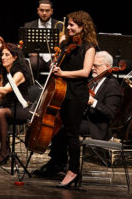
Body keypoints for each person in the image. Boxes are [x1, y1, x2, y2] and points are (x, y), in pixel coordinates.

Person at [33, 50, 122, 178]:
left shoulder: (112, 85)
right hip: (84, 118)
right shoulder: (92, 79)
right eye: (92, 65)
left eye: (96, 66)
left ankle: (60, 165)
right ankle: (56, 162)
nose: (92, 68)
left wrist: (93, 102)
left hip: (96, 124)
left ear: (107, 67)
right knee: (61, 122)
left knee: (66, 128)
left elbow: (111, 113)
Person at [40, 10, 97, 188]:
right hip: (63, 92)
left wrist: (63, 72)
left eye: (72, 25)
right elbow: (60, 67)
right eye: (69, 24)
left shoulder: (89, 47)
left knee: (72, 133)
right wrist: (55, 66)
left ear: (82, 26)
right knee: (64, 133)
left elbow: (85, 72)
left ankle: (73, 171)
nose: (69, 28)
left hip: (77, 94)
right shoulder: (67, 45)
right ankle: (62, 165)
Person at [0, 43, 33, 164]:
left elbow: (6, 90)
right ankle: (6, 149)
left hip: (23, 108)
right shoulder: (5, 72)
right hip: (10, 106)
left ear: (15, 57)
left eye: (7, 55)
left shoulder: (19, 72)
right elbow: (2, 95)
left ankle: (4, 151)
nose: (3, 57)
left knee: (1, 113)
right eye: (2, 55)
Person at [23, 0, 64, 81]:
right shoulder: (29, 25)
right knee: (32, 64)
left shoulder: (59, 25)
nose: (44, 13)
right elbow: (25, 44)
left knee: (57, 65)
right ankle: (32, 87)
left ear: (51, 11)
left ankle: (54, 88)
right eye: (42, 10)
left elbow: (64, 45)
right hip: (37, 55)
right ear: (38, 10)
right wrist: (30, 50)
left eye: (47, 10)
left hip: (53, 55)